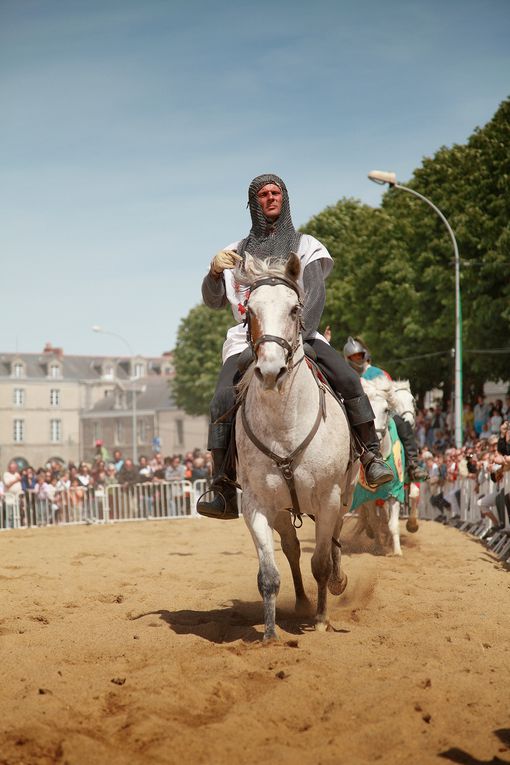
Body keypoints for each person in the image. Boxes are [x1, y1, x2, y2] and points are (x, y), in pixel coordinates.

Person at [197, 173, 393, 521]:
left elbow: (315, 294)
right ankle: (222, 484)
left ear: (284, 198)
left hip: (298, 332)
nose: (270, 198)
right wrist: (213, 274)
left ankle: (370, 456)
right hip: (247, 338)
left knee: (347, 379)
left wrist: (298, 335)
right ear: (253, 203)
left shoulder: (307, 246)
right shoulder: (235, 252)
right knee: (221, 399)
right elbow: (214, 302)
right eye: (263, 195)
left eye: (275, 193)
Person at [342, 336, 428, 482]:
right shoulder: (345, 374)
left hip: (380, 410)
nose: (357, 359)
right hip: (354, 412)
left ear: (364, 356)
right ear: (348, 358)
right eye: (353, 357)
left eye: (359, 356)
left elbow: (389, 393)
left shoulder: (377, 373)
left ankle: (413, 464)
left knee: (402, 424)